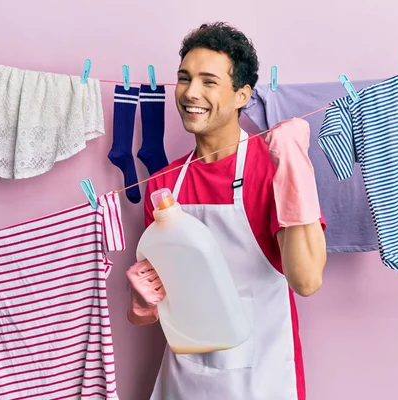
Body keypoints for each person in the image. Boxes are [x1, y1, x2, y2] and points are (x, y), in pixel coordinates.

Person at [125, 22, 327, 400]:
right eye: (184, 79)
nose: (191, 93)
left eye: (208, 81)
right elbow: (157, 305)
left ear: (241, 95)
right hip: (183, 380)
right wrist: (141, 306)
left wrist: (295, 168)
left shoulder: (270, 169)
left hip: (260, 381)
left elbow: (307, 280)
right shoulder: (165, 183)